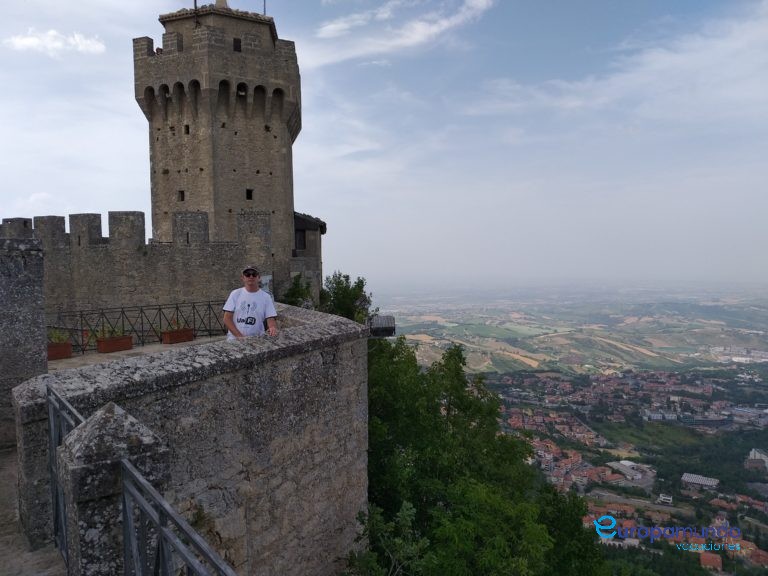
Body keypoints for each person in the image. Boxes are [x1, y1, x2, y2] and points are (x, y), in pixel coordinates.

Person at [223, 265, 278, 339]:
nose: (251, 276)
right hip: (234, 340)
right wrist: (240, 337)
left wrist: (272, 327)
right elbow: (227, 318)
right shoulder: (235, 294)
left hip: (256, 339)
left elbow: (270, 317)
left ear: (259, 278)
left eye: (254, 274)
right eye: (247, 274)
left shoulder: (266, 297)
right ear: (243, 278)